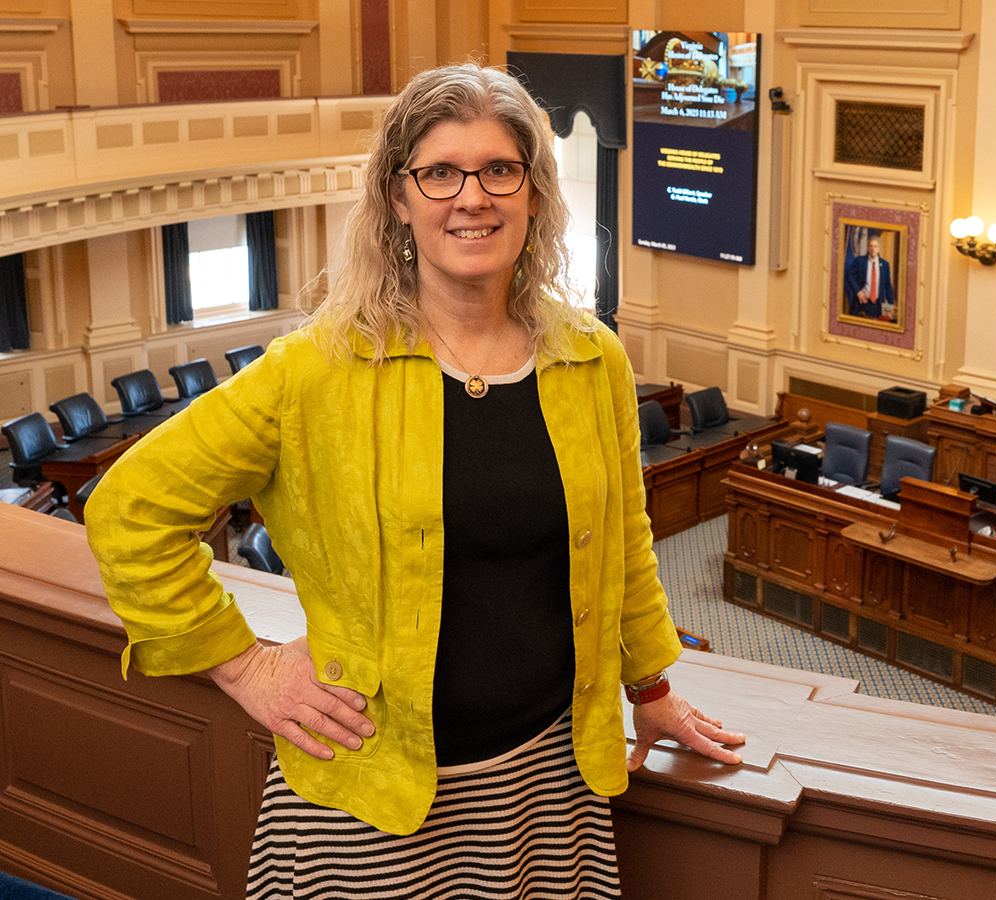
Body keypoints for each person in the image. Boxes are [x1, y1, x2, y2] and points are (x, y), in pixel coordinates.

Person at [85, 63, 744, 899]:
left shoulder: (591, 358)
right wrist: (244, 667)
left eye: (500, 169)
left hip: (548, 781)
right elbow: (129, 510)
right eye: (440, 172)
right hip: (373, 794)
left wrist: (650, 687)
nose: (473, 196)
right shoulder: (316, 370)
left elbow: (624, 550)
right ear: (399, 199)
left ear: (534, 192)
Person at [844, 234, 895, 319]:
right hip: (862, 303)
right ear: (867, 248)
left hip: (877, 306)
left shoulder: (885, 265)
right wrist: (858, 291)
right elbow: (849, 275)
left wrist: (892, 307)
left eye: (875, 246)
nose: (873, 249)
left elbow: (888, 286)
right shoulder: (860, 261)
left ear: (878, 249)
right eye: (871, 246)